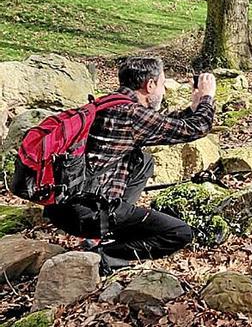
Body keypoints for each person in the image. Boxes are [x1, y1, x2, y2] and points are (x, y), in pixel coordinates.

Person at [43, 57, 216, 273]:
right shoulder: (132, 115)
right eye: (162, 84)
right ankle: (104, 256)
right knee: (179, 233)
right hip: (87, 214)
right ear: (150, 85)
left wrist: (194, 107)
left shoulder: (107, 104)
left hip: (62, 206)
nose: (163, 91)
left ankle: (105, 233)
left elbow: (163, 125)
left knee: (143, 162)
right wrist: (208, 97)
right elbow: (197, 128)